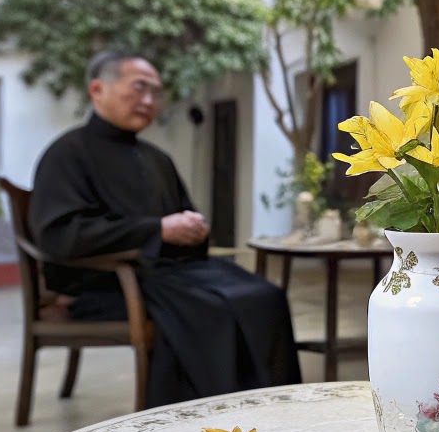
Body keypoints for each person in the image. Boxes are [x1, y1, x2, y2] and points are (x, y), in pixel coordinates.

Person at [29, 50, 302, 407]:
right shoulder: (67, 153)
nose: (149, 101)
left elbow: (178, 218)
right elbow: (61, 235)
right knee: (212, 308)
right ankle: (211, 417)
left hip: (165, 273)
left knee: (264, 294)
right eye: (139, 88)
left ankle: (274, 406)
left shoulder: (157, 158)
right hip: (106, 284)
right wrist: (157, 230)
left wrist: (192, 229)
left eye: (156, 93)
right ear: (98, 90)